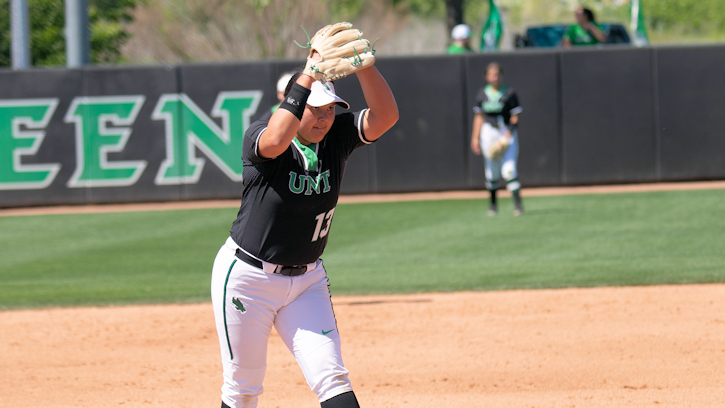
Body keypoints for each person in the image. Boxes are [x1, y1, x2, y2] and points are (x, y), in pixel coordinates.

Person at [210, 25, 399, 408]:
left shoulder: (336, 137)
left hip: (308, 280)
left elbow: (386, 117)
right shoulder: (260, 137)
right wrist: (310, 70)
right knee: (243, 390)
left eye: (331, 109)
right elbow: (278, 140)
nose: (325, 119)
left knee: (333, 379)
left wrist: (365, 67)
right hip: (247, 279)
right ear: (295, 107)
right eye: (316, 110)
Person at [470, 62, 524, 216]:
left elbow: (515, 117)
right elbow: (479, 117)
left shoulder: (509, 93)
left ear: (501, 75)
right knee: (492, 172)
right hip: (488, 133)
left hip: (505, 132)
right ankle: (493, 206)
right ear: (486, 76)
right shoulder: (482, 94)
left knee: (509, 169)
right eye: (491, 74)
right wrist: (475, 138)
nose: (494, 77)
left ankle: (518, 205)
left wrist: (507, 135)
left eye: (497, 74)